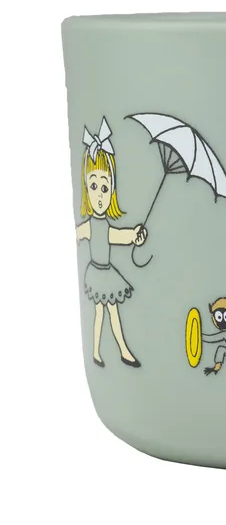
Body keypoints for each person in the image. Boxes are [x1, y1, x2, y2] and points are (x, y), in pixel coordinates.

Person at [75, 118, 148, 368]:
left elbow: (119, 236)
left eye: (104, 188)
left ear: (112, 192)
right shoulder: (91, 225)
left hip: (106, 273)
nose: (99, 195)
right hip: (97, 273)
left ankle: (121, 351)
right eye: (94, 185)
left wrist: (135, 235)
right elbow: (80, 233)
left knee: (110, 312)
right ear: (86, 186)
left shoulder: (104, 227)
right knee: (99, 312)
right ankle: (98, 351)